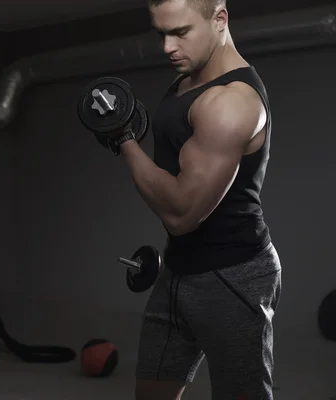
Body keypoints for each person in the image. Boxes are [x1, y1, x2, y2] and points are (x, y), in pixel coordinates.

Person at [112, 0, 282, 399]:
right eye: (161, 33)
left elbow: (183, 213)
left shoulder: (231, 102)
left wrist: (122, 141)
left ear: (219, 19)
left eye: (181, 32)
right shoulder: (189, 79)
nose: (167, 47)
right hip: (177, 269)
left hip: (233, 274)